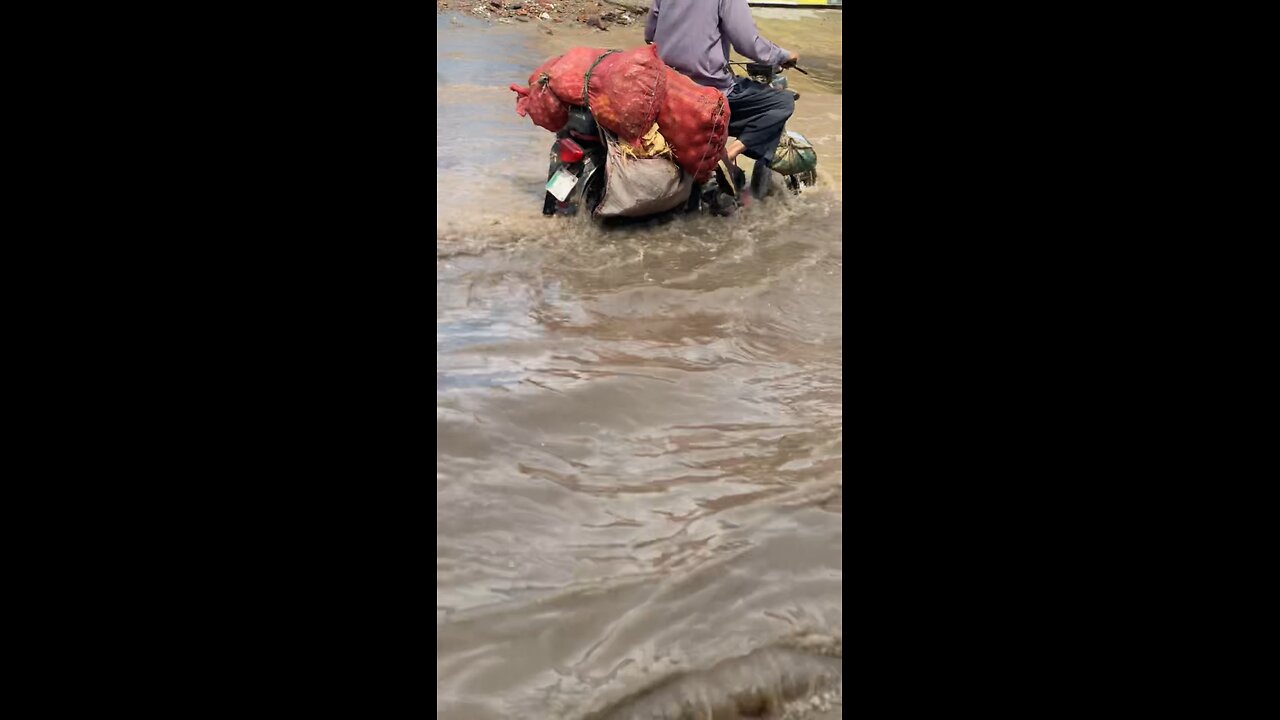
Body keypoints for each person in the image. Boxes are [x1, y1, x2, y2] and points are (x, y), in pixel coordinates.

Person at [645, 0, 798, 193]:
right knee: (782, 102)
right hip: (709, 92)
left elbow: (650, 34)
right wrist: (783, 56)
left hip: (668, 86)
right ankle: (728, 156)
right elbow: (748, 43)